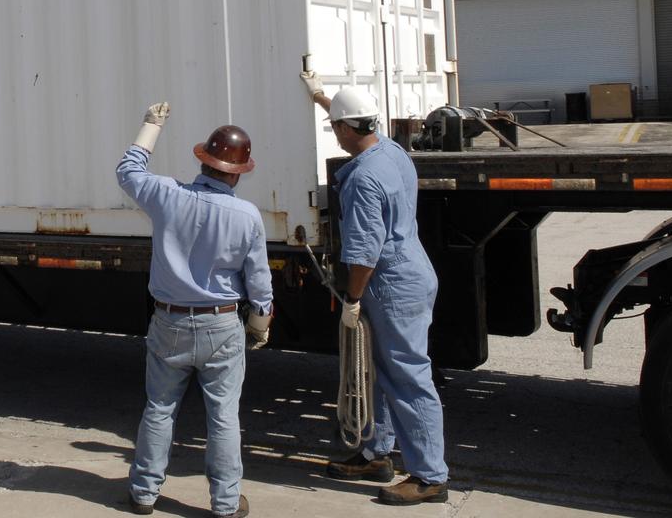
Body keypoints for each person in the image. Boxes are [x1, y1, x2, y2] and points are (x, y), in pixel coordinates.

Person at [117, 103, 273, 518]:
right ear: (238, 172)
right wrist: (259, 324)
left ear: (203, 159)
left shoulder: (167, 195)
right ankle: (225, 504)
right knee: (223, 417)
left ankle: (144, 494)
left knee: (160, 408)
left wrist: (151, 125)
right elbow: (259, 284)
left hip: (169, 320)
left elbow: (127, 172)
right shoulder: (247, 216)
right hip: (222, 324)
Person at [300, 72, 449, 505]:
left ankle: (429, 476)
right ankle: (376, 453)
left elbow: (364, 253)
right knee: (380, 372)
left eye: (335, 128)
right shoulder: (392, 150)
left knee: (407, 376)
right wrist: (320, 97)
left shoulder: (364, 179)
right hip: (413, 272)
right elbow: (351, 118)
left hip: (390, 282)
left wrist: (351, 298)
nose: (335, 134)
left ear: (348, 130)